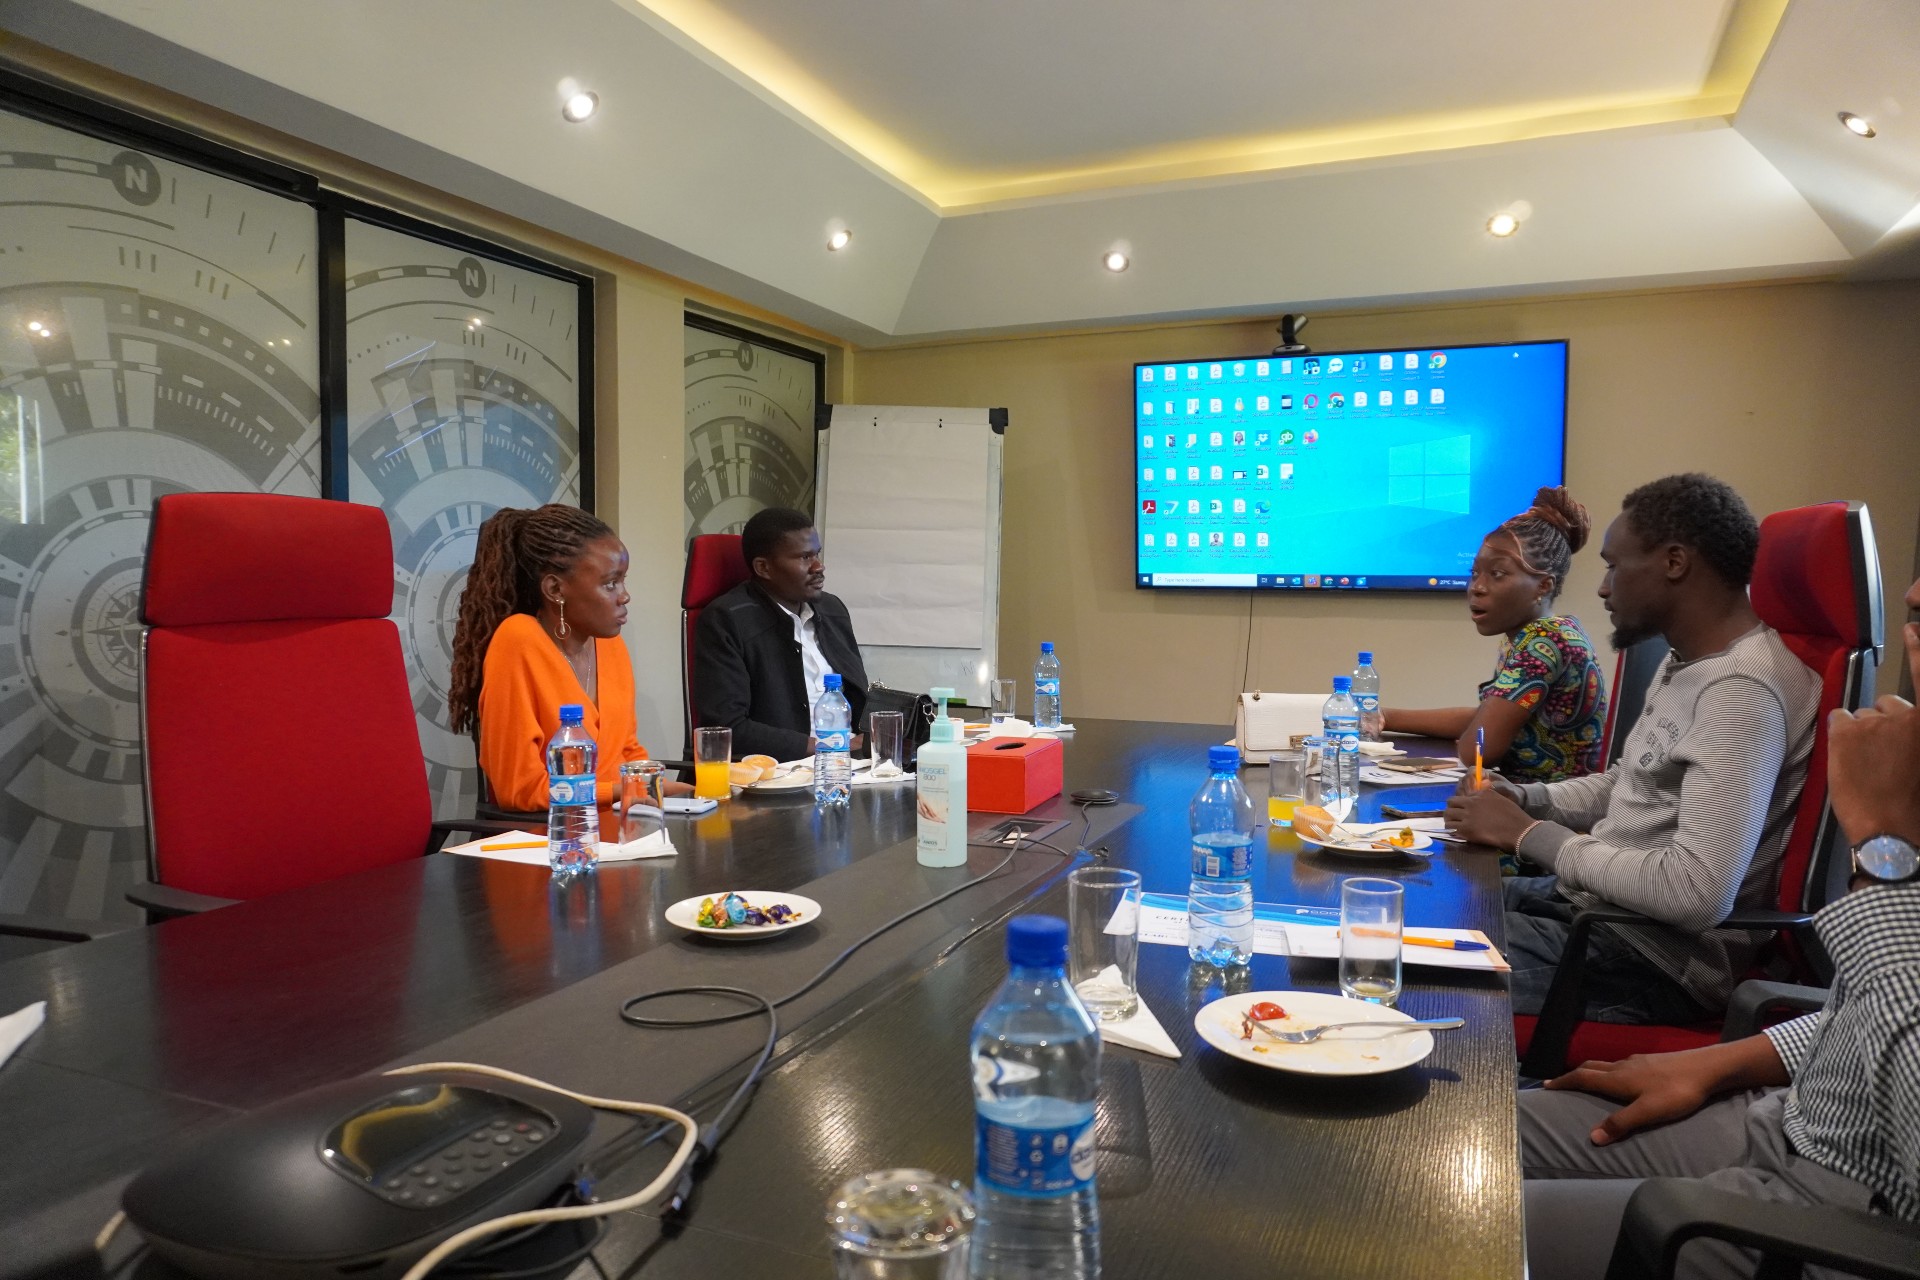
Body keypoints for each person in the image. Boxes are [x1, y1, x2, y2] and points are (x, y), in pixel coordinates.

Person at [1516, 571, 1920, 1280]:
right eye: (1918, 617)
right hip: (1780, 1117)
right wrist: (1710, 1064)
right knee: (1457, 1140)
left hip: (1849, 1214)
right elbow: (1861, 1016)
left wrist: (1885, 852)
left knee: (1449, 1219)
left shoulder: (1754, 693)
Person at [1447, 474, 1821, 1024]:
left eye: (1614, 566)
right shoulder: (1687, 661)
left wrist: (1527, 835)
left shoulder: (1742, 689)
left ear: (1674, 563)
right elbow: (1626, 781)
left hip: (1649, 962)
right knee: (1424, 901)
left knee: (1386, 956)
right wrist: (1528, 799)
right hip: (1597, 914)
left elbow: (1697, 893)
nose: (1602, 588)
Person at [449, 503, 679, 813]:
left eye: (623, 581)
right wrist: (617, 791)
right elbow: (519, 790)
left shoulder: (610, 645)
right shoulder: (518, 640)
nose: (624, 596)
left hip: (618, 824)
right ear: (555, 588)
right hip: (549, 838)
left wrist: (655, 785)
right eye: (610, 583)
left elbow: (627, 750)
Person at [1384, 485, 1609, 784]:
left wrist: (1472, 735)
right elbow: (1487, 718)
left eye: (1497, 574)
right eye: (1474, 572)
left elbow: (1477, 750)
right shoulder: (1544, 632)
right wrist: (1385, 716)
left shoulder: (1544, 641)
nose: (1477, 586)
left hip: (1551, 807)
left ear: (1543, 586)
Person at [693, 507, 869, 761]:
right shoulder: (726, 620)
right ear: (763, 567)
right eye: (804, 557)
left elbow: (858, 698)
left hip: (850, 766)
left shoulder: (832, 610)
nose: (819, 567)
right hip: (778, 774)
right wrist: (831, 746)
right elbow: (727, 728)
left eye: (817, 554)